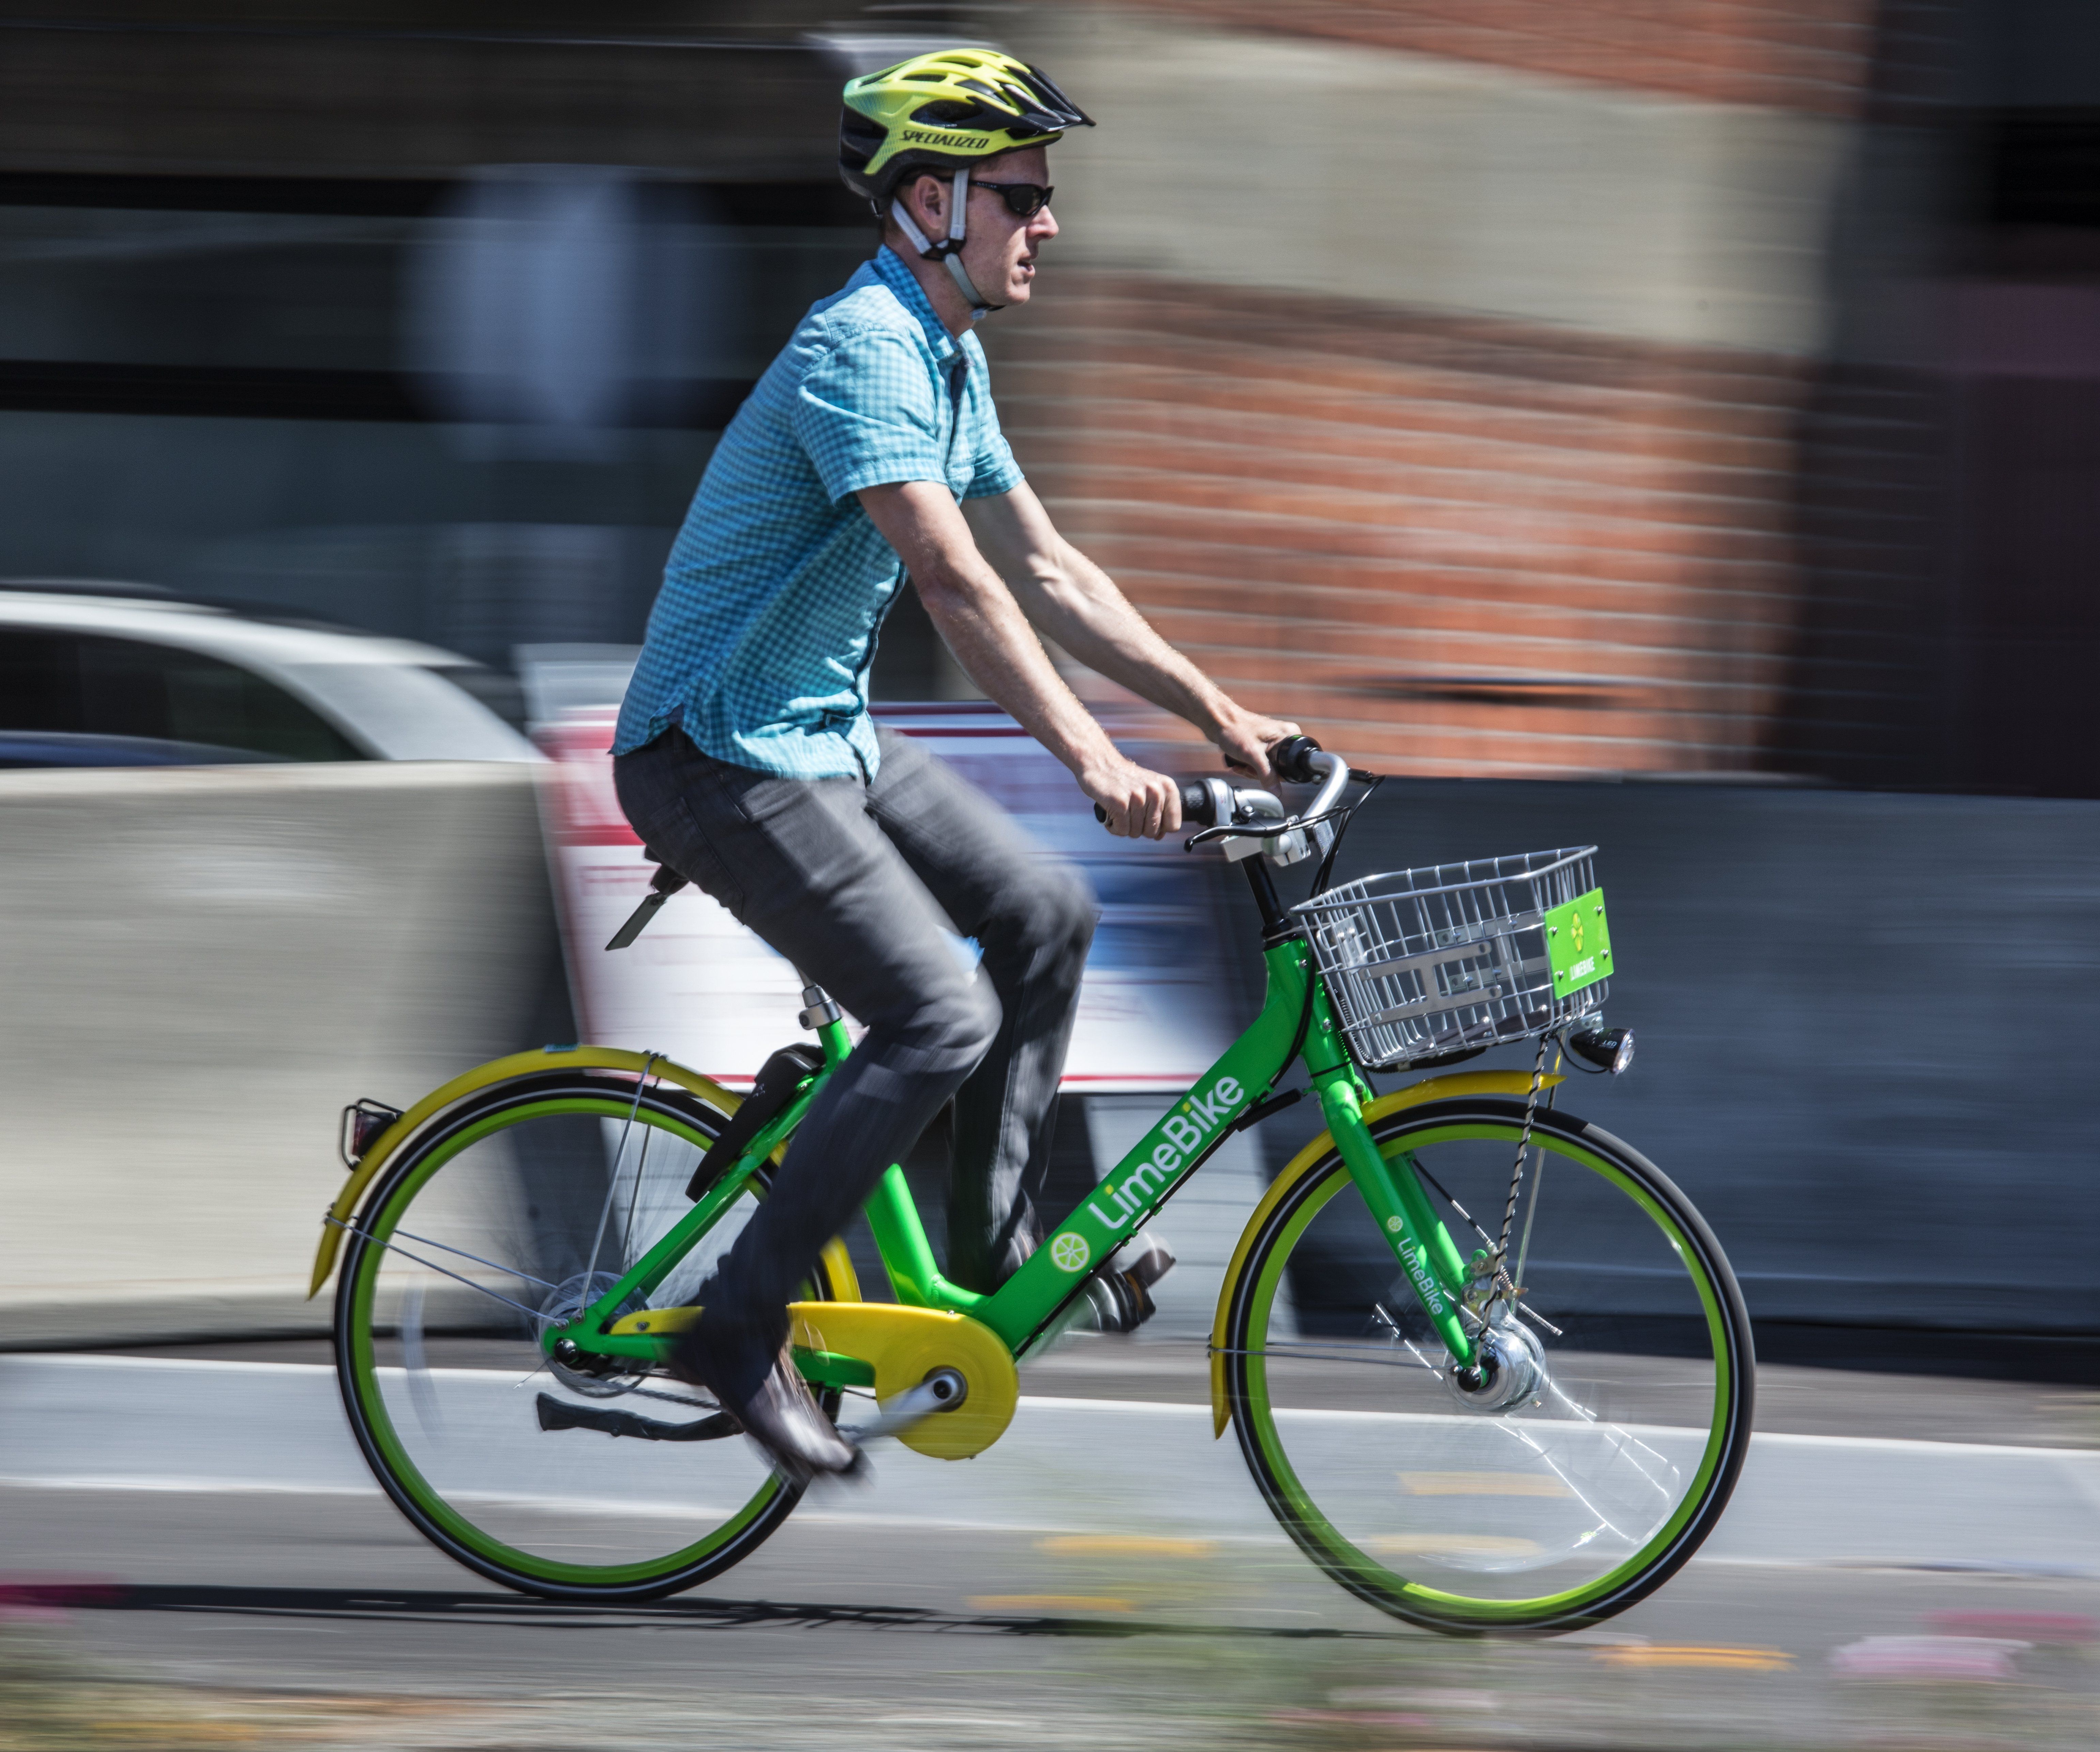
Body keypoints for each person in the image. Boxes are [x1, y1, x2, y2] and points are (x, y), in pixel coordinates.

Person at [612, 47, 1299, 1481]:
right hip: (711, 752)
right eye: (1020, 196)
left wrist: (1224, 717)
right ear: (927, 199)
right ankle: (736, 1326)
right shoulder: (855, 348)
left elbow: (1050, 567)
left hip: (823, 741)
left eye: (1044, 198)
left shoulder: (946, 351)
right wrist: (1098, 757)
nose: (1047, 223)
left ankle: (993, 1243)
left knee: (1047, 909)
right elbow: (957, 581)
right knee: (934, 1011)